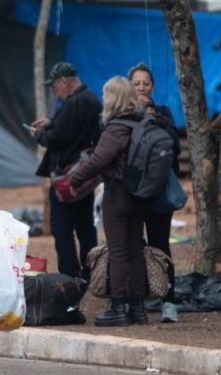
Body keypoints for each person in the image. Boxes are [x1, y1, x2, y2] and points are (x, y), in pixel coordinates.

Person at [70, 76, 160, 326]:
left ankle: (119, 307)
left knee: (118, 253)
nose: (102, 99)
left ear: (114, 98)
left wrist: (74, 180)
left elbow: (98, 160)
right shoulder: (144, 123)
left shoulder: (116, 127)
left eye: (105, 94)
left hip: (118, 194)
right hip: (140, 196)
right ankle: (138, 308)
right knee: (135, 251)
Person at [30, 62, 102, 282]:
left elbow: (60, 138)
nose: (53, 91)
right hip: (85, 177)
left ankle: (69, 274)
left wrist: (39, 135)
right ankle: (91, 271)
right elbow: (73, 128)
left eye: (54, 86)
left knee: (61, 228)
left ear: (64, 82)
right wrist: (52, 122)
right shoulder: (91, 99)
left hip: (66, 178)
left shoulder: (74, 103)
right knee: (86, 227)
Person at [129, 61, 182, 323]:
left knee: (161, 246)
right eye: (136, 83)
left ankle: (168, 301)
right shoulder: (123, 115)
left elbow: (175, 146)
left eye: (146, 83)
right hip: (132, 193)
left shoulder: (163, 112)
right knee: (134, 245)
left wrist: (155, 120)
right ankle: (138, 298)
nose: (141, 87)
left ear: (153, 86)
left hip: (159, 194)